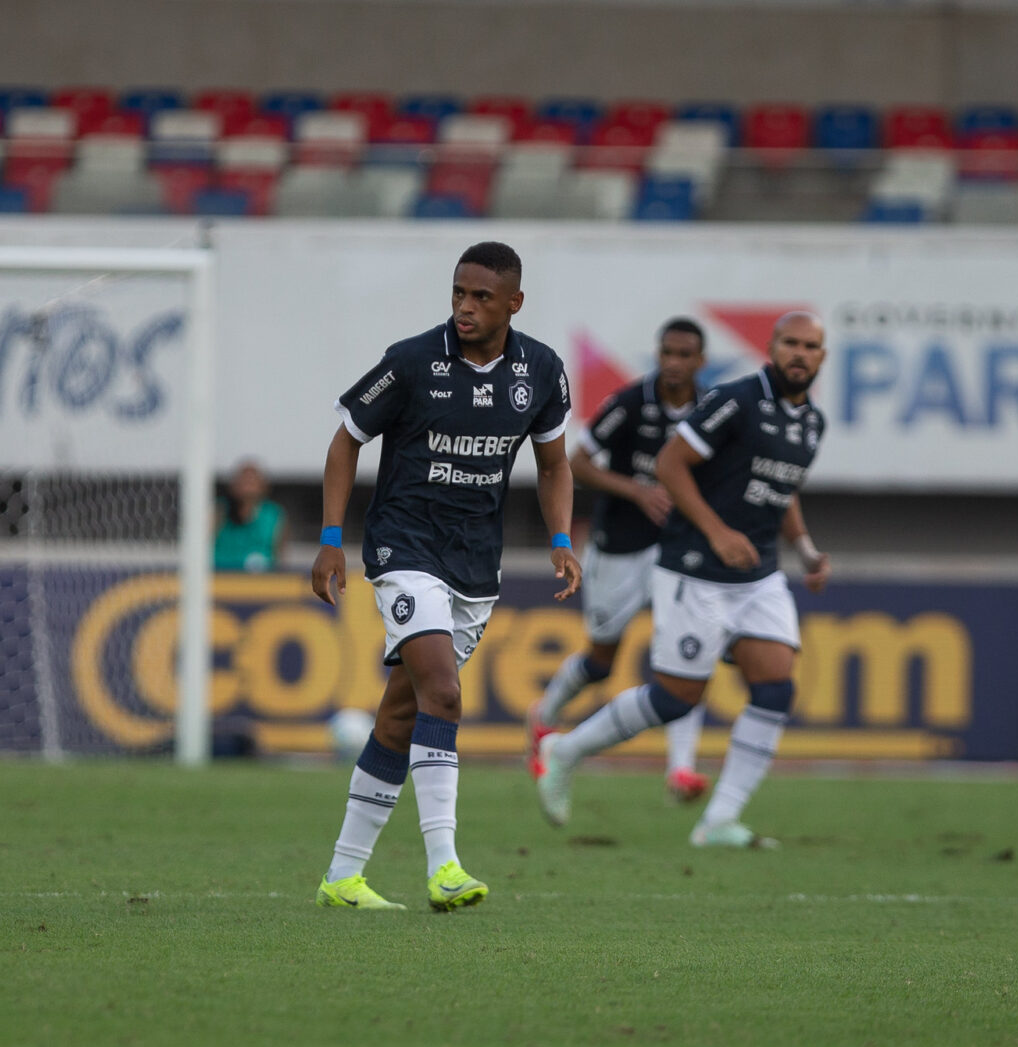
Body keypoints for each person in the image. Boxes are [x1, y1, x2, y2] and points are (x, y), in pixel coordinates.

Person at [311, 241, 580, 910]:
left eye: (481, 297)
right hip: (404, 548)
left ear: (514, 303)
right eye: (459, 292)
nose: (465, 306)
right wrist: (329, 538)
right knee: (444, 694)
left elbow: (553, 465)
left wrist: (561, 538)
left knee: (402, 714)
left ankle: (342, 877)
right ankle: (445, 867)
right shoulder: (410, 362)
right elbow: (346, 439)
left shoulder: (542, 371)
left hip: (473, 565)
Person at [533, 312, 831, 849]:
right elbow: (670, 464)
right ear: (771, 346)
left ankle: (720, 819)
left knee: (776, 687)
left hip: (758, 574)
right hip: (695, 567)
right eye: (791, 343)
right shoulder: (734, 400)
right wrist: (716, 531)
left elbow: (780, 490)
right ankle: (567, 748)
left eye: (811, 346)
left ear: (822, 357)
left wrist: (806, 551)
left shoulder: (812, 423)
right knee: (676, 698)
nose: (800, 353)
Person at [529, 317, 712, 802]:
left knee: (683, 655)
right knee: (602, 660)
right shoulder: (632, 403)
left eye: (683, 355)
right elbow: (578, 460)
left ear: (700, 361)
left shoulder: (711, 409)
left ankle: (681, 770)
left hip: (676, 550)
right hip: (619, 545)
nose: (673, 363)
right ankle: (544, 718)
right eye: (666, 353)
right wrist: (637, 490)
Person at [213, 459, 286, 572]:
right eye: (243, 482)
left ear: (263, 487)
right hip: (222, 577)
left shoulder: (274, 514)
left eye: (252, 483)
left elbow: (280, 554)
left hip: (260, 581)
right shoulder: (220, 510)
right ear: (233, 486)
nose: (247, 488)